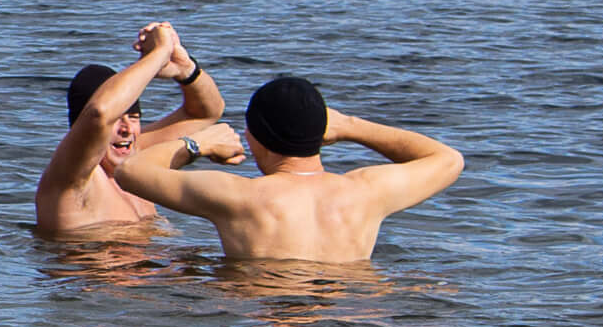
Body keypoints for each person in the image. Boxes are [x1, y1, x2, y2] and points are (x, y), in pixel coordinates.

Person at [111, 73, 464, 263]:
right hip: (350, 313)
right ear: (322, 133)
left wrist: (197, 144)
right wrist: (352, 126)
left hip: (262, 318)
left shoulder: (238, 197)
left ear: (255, 139)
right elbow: (448, 159)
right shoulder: (366, 192)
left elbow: (131, 171)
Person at [33, 22, 235, 240]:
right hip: (87, 273)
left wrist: (186, 70)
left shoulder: (136, 162)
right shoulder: (70, 177)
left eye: (134, 117)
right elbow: (99, 114)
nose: (127, 129)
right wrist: (158, 54)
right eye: (116, 121)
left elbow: (206, 113)